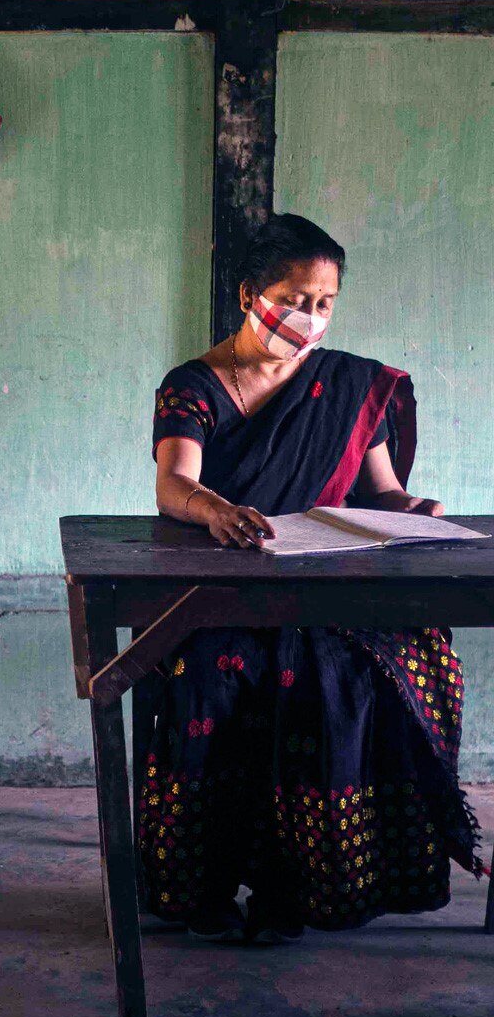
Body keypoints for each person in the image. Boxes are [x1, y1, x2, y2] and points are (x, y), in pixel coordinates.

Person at [145, 213, 479, 945]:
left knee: (375, 670)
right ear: (248, 297)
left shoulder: (353, 385)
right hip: (226, 593)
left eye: (325, 304)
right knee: (221, 674)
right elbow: (175, 485)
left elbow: (380, 492)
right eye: (295, 298)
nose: (310, 317)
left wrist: (410, 507)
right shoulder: (195, 386)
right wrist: (215, 510)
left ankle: (299, 885)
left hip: (328, 590)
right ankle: (202, 885)